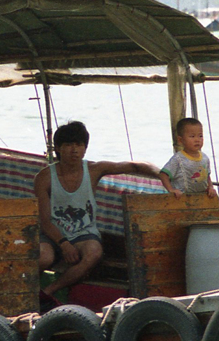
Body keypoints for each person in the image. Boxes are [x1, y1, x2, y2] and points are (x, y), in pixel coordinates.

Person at [35, 121, 161, 309]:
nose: (74, 150)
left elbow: (135, 166)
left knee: (94, 253)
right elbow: (44, 220)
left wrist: (163, 174)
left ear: (85, 148)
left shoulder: (94, 169)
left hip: (83, 232)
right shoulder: (44, 177)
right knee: (43, 257)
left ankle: (48, 291)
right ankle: (20, 287)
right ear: (58, 149)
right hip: (52, 233)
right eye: (69, 145)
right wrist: (64, 244)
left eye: (79, 145)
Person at [159, 117, 217, 199]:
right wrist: (171, 190)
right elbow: (163, 175)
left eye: (200, 136)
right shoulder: (178, 159)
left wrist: (210, 187)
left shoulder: (204, 158)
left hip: (202, 199)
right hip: (182, 199)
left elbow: (206, 176)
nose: (197, 140)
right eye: (192, 136)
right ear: (180, 140)